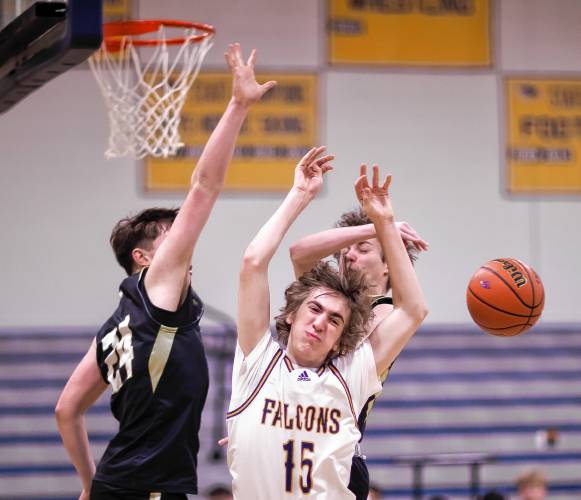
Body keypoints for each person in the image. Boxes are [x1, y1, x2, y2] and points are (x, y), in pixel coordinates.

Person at [54, 43, 275, 500]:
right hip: (145, 489)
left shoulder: (117, 325)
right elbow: (205, 186)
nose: (181, 240)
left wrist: (88, 484)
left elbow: (66, 409)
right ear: (144, 257)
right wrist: (237, 105)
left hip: (123, 485)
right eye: (167, 235)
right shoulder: (157, 289)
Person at [226, 154, 428, 498]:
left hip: (341, 450)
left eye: (334, 320)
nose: (320, 322)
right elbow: (282, 256)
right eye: (314, 310)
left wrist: (386, 225)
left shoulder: (367, 338)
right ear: (292, 313)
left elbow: (414, 309)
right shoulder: (261, 361)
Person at [289, 201, 428, 499]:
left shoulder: (386, 312)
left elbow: (415, 308)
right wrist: (369, 228)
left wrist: (386, 228)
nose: (348, 255)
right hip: (290, 442)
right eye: (345, 249)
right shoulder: (328, 302)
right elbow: (298, 252)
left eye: (362, 249)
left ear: (389, 262)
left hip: (334, 456)